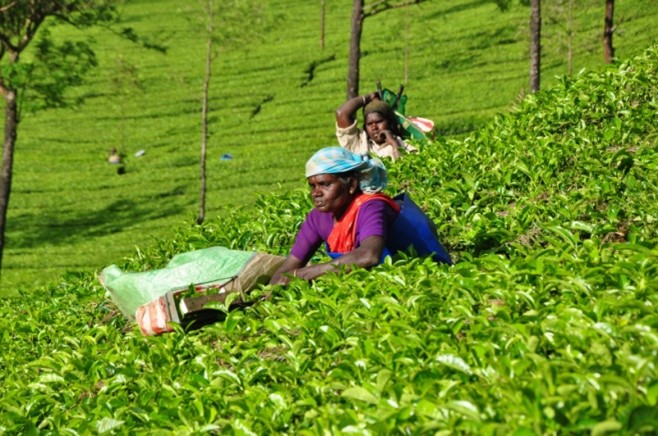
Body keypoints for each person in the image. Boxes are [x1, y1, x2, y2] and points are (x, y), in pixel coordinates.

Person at [269, 146, 451, 286]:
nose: (316, 193)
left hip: (420, 278)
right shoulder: (317, 218)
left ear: (351, 185)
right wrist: (269, 291)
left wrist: (305, 274)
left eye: (325, 184)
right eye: (312, 186)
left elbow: (368, 255)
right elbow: (290, 265)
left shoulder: (371, 206)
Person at [335, 93, 418, 160]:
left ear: (390, 123)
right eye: (369, 124)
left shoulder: (406, 146)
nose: (374, 127)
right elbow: (341, 113)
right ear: (365, 127)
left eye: (379, 122)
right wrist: (369, 97)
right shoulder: (359, 143)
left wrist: (393, 143)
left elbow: (403, 171)